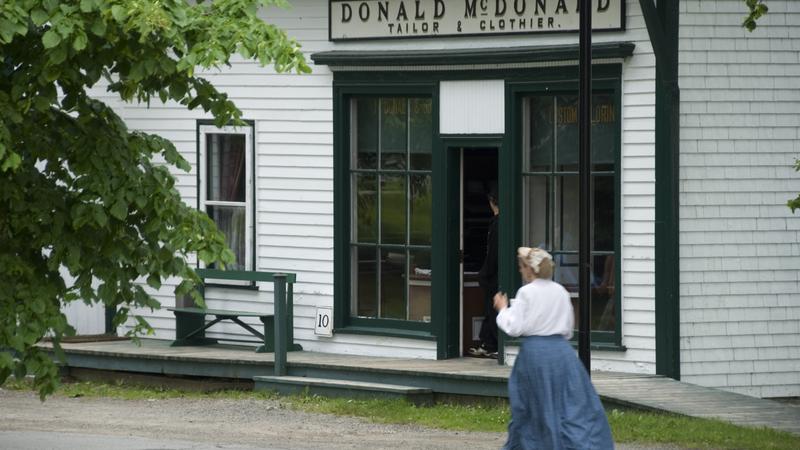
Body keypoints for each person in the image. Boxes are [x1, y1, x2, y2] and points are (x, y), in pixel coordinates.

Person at [493, 247, 614, 449]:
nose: (521, 272)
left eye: (521, 268)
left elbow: (514, 327)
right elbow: (568, 326)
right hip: (562, 352)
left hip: (536, 354)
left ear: (529, 269)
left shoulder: (526, 292)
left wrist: (503, 308)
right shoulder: (560, 291)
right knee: (570, 403)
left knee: (535, 404)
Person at [469, 189, 499, 358]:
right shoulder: (499, 223)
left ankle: (492, 343)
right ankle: (488, 342)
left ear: (492, 202)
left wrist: (484, 273)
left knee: (493, 309)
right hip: (493, 273)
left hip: (493, 274)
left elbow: (493, 252)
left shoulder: (497, 223)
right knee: (490, 309)